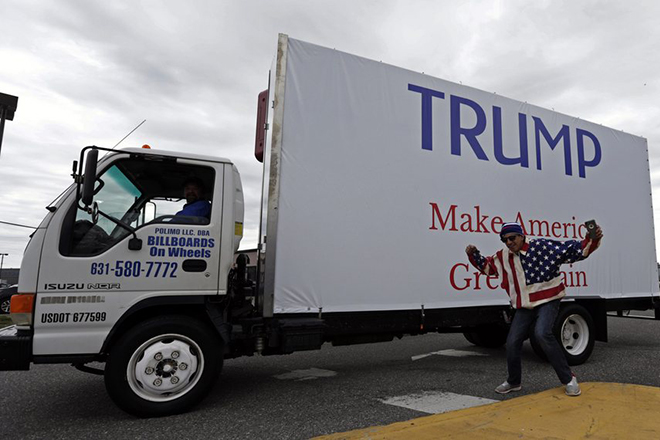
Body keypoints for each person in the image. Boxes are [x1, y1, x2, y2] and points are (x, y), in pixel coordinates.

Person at [465, 221, 603, 397]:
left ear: (521, 235)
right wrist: (473, 254)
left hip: (548, 300)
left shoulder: (541, 246)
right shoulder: (503, 256)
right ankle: (514, 381)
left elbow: (575, 250)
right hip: (525, 305)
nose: (509, 243)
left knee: (542, 334)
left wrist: (593, 237)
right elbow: (488, 268)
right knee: (513, 341)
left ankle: (569, 379)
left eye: (512, 238)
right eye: (504, 240)